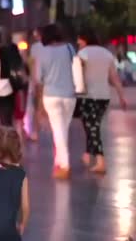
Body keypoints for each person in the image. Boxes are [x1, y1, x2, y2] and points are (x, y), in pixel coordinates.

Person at [76, 27, 127, 173]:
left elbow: (78, 77)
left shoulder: (82, 54)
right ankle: (87, 154)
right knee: (92, 125)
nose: (78, 41)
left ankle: (100, 160)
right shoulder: (107, 54)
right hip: (104, 97)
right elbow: (114, 78)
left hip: (88, 96)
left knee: (92, 127)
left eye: (79, 38)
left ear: (85, 39)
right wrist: (121, 96)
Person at [36, 24, 76, 180]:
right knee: (63, 129)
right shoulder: (69, 49)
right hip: (69, 95)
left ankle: (65, 165)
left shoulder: (43, 53)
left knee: (58, 130)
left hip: (51, 96)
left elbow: (39, 80)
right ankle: (58, 161)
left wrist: (39, 104)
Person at [24, 27, 45, 141]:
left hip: (37, 80)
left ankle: (34, 132)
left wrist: (32, 79)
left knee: (35, 107)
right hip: (49, 81)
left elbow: (32, 64)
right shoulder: (51, 47)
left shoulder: (35, 47)